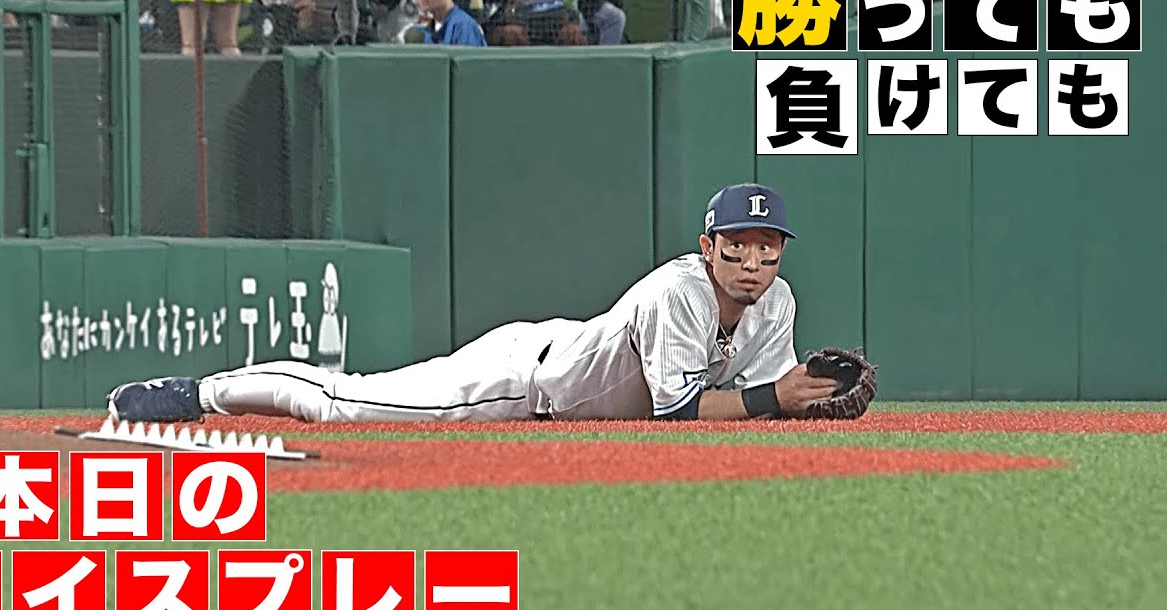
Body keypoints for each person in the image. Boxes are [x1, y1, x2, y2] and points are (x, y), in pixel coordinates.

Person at [106, 183, 843, 424]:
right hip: (521, 379)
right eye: (738, 245)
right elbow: (680, 413)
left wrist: (811, 393)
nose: (753, 261)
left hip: (570, 356)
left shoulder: (776, 302)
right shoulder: (678, 291)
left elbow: (763, 395)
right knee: (346, 404)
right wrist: (776, 399)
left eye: (767, 246)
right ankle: (199, 392)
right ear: (708, 246)